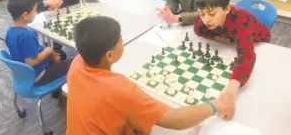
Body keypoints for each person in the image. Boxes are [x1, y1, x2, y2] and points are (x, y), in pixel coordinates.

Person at [66, 16, 234, 135]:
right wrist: (215, 105)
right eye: (120, 40)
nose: (123, 41)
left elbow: (104, 108)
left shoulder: (77, 63)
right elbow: (176, 120)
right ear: (109, 55)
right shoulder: (120, 89)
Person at [193, 0, 271, 119]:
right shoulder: (208, 21)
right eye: (202, 14)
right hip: (232, 39)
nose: (206, 19)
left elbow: (247, 56)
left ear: (226, 9)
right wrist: (220, 37)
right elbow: (198, 29)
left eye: (211, 13)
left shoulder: (240, 23)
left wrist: (232, 87)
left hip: (260, 42)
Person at [5, 0, 72, 87]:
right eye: (35, 11)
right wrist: (48, 51)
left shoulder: (10, 32)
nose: (36, 13)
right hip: (39, 74)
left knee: (61, 57)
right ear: (25, 15)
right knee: (75, 62)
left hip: (25, 74)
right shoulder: (26, 36)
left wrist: (48, 56)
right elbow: (31, 62)